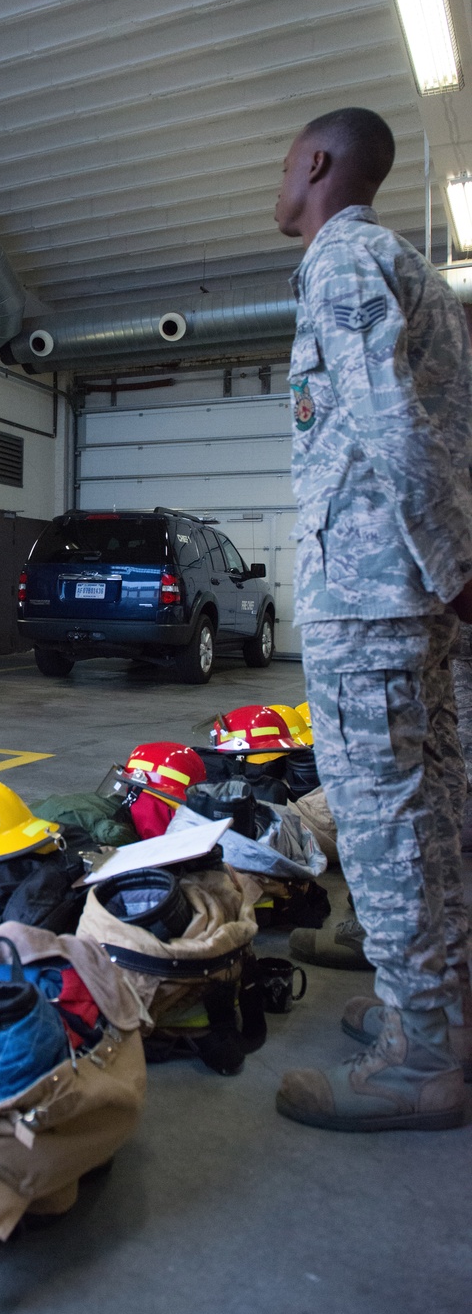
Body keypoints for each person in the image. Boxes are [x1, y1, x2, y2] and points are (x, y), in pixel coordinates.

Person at [273, 106, 472, 1132]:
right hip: (404, 594)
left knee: (386, 824)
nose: (278, 181)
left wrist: (452, 567)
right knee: (429, 811)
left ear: (314, 163)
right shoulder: (409, 269)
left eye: (283, 163)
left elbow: (391, 426)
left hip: (374, 595)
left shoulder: (340, 259)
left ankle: (422, 1061)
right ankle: (432, 1011)